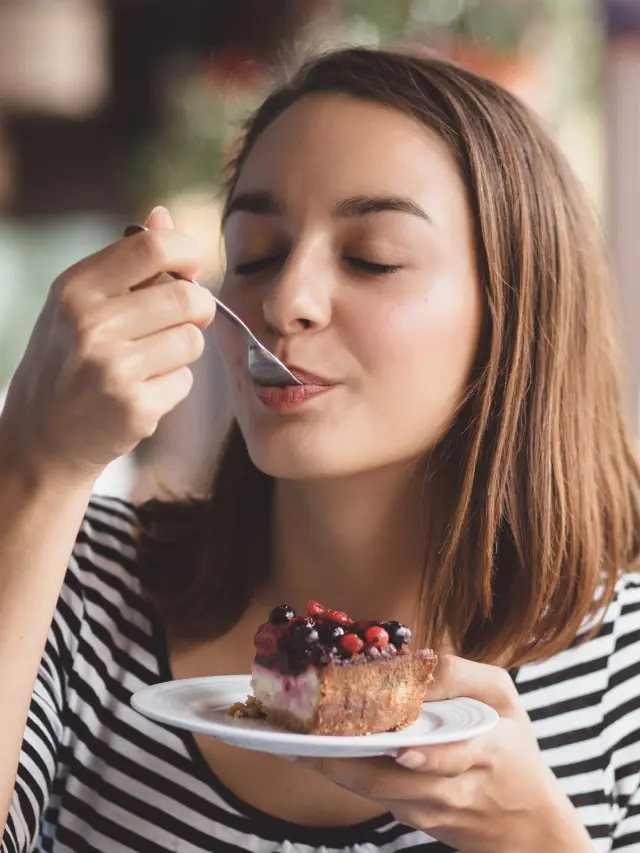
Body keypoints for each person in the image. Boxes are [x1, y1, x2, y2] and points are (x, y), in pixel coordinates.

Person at [0, 47, 638, 853]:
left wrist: (539, 840)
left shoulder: (622, 658)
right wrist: (34, 460)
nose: (283, 300)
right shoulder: (78, 577)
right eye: (256, 252)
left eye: (372, 256)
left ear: (515, 313)